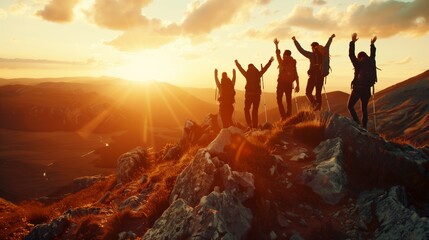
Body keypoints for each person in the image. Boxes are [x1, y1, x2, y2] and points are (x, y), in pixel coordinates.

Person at [292, 34, 335, 110]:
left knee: (308, 92)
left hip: (313, 76)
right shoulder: (324, 54)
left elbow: (301, 50)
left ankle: (315, 104)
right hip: (321, 76)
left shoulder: (311, 55)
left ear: (313, 48)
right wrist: (331, 38)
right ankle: (318, 108)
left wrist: (295, 41)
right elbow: (328, 45)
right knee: (318, 93)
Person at [348, 33, 377, 129]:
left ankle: (356, 122)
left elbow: (351, 55)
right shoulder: (371, 61)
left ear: (359, 57)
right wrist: (372, 44)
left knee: (350, 106)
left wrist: (352, 42)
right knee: (364, 109)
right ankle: (364, 127)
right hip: (367, 89)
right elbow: (373, 54)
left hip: (358, 89)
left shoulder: (358, 63)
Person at [235, 57, 274, 129]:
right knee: (255, 111)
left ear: (248, 68)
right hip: (257, 95)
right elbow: (265, 69)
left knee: (246, 109)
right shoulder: (258, 74)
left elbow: (240, 69)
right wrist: (270, 61)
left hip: (249, 94)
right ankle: (255, 126)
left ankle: (249, 124)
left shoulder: (247, 74)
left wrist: (237, 63)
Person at [274, 38, 300, 120]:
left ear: (284, 54)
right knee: (289, 100)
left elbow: (277, 55)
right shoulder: (293, 62)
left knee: (279, 99)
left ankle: (283, 116)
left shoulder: (283, 61)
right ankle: (288, 116)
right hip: (289, 84)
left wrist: (276, 45)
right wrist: (298, 85)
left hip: (281, 83)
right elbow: (296, 74)